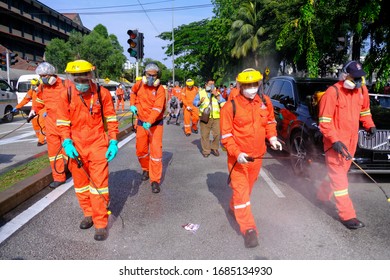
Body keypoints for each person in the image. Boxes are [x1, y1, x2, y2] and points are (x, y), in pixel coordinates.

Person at [57, 59, 119, 241]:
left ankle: (100, 224)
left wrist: (113, 142)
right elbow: (62, 122)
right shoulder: (66, 94)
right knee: (81, 185)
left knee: (99, 185)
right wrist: (67, 142)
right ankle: (88, 213)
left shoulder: (102, 93)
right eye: (76, 78)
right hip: (75, 145)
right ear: (71, 77)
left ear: (90, 76)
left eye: (84, 78)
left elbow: (111, 119)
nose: (81, 83)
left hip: (97, 143)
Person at [220, 68, 281, 248]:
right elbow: (226, 136)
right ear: (240, 85)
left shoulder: (265, 102)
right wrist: (237, 153)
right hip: (238, 159)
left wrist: (273, 138)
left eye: (255, 84)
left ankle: (233, 207)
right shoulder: (229, 107)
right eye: (248, 85)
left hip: (258, 156)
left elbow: (270, 121)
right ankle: (249, 229)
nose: (252, 88)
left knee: (246, 191)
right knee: (241, 193)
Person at [317, 60, 376, 230]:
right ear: (345, 76)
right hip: (335, 144)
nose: (358, 81)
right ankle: (347, 215)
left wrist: (369, 124)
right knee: (340, 179)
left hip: (351, 142)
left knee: (339, 173)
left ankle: (321, 196)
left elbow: (365, 111)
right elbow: (325, 122)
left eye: (360, 78)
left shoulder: (362, 90)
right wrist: (334, 140)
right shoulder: (332, 92)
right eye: (354, 78)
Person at [129, 62, 166, 193]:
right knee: (141, 151)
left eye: (154, 76)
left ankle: (155, 180)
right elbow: (132, 93)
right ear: (144, 74)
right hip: (141, 123)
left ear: (157, 76)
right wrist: (132, 104)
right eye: (148, 75)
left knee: (156, 153)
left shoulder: (160, 89)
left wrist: (150, 121)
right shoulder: (138, 85)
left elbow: (158, 108)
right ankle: (146, 168)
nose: (151, 78)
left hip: (155, 125)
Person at [34, 62, 67, 188]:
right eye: (41, 76)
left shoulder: (65, 85)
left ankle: (77, 173)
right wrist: (34, 110)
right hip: (51, 125)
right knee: (53, 154)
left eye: (44, 76)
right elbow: (38, 102)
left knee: (69, 152)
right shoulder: (43, 88)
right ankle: (59, 177)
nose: (43, 78)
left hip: (65, 123)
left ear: (52, 74)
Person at [193, 78, 226, 157]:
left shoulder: (217, 93)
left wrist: (217, 95)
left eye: (213, 84)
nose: (211, 86)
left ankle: (214, 147)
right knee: (205, 135)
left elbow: (223, 103)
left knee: (217, 134)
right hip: (204, 117)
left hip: (216, 116)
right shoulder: (200, 93)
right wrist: (199, 102)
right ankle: (206, 151)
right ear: (206, 85)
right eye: (210, 84)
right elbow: (194, 102)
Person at [12, 78, 46, 146]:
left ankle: (41, 140)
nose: (33, 86)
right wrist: (17, 107)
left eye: (35, 85)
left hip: (43, 110)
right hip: (34, 110)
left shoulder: (44, 91)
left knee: (43, 125)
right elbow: (25, 100)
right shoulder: (31, 91)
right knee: (35, 126)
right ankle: (39, 137)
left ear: (39, 85)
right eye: (32, 85)